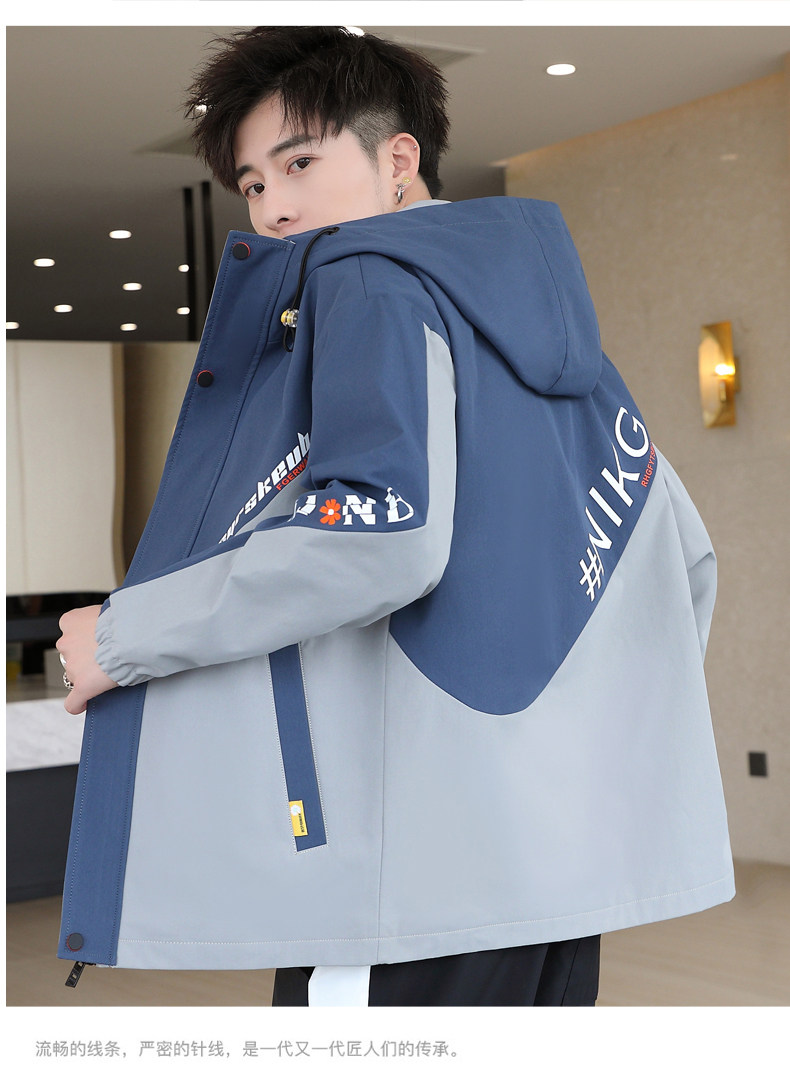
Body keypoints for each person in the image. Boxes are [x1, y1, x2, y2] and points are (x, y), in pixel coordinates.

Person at [56, 26, 734, 1007]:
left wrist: (124, 636)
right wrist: (568, 757)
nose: (274, 205)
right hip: (553, 870)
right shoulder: (568, 350)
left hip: (414, 873)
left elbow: (377, 537)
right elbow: (683, 562)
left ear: (398, 159)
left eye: (299, 162)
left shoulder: (363, 279)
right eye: (251, 182)